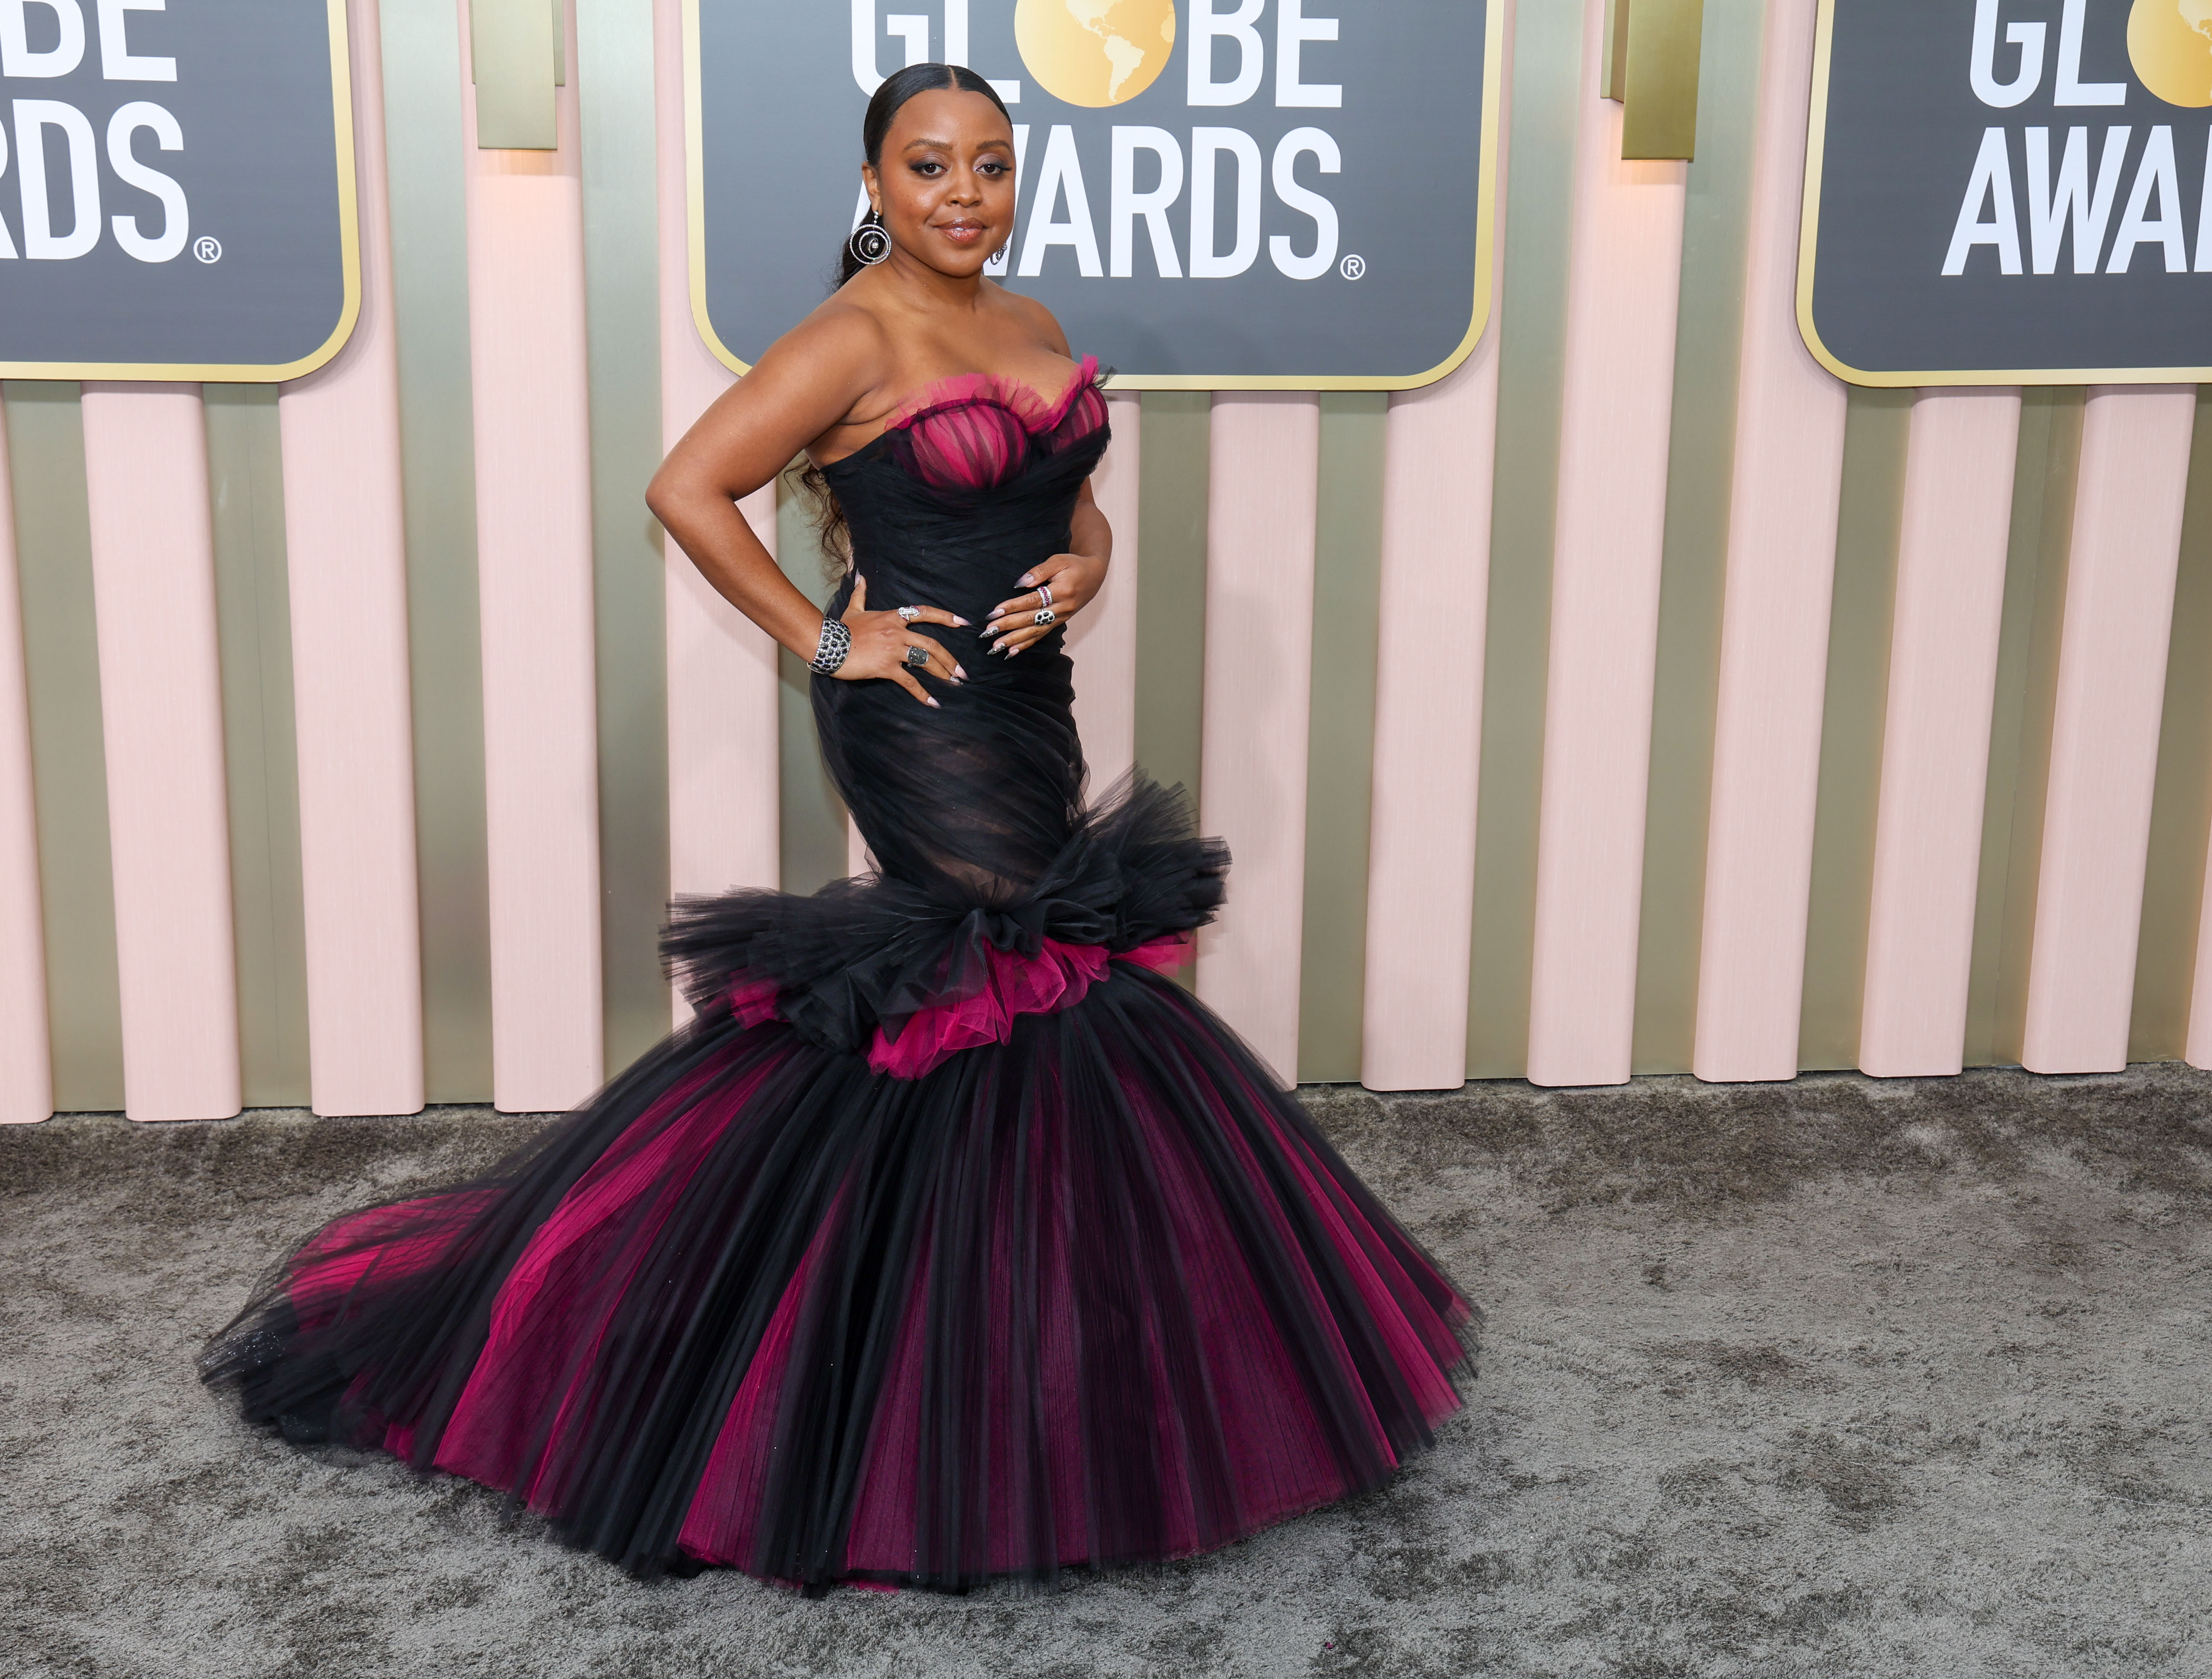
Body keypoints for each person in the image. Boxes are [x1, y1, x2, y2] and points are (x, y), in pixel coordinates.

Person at [202, 63, 1472, 1596]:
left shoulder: (1033, 327)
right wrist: (823, 639)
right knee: (998, 973)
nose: (963, 193)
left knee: (1020, 987)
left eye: (991, 166)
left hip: (1030, 697)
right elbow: (688, 487)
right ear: (874, 186)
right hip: (916, 709)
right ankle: (876, 1384)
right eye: (929, 165)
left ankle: (1014, 1356)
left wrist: (1089, 561)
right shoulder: (851, 336)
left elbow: (1068, 496)